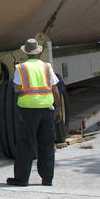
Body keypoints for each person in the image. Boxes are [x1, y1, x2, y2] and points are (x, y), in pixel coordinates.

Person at [7, 38, 61, 188]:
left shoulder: (21, 68)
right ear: (38, 52)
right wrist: (58, 109)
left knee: (25, 145)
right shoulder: (47, 67)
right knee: (47, 145)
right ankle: (47, 179)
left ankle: (22, 179)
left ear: (25, 52)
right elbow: (55, 89)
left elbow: (17, 89)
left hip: (28, 111)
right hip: (47, 110)